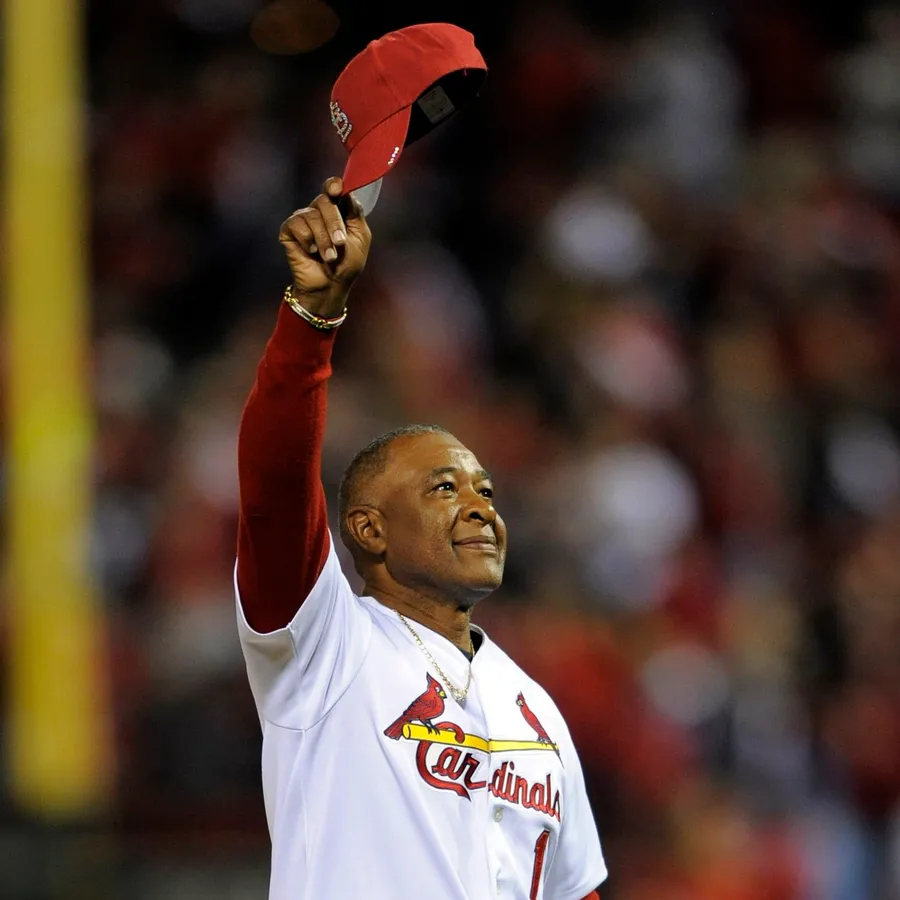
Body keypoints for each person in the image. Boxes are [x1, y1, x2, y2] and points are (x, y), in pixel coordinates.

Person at [235, 176, 607, 900]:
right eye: (444, 488)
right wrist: (312, 320)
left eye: (486, 492)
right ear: (368, 529)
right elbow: (275, 490)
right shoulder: (327, 650)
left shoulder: (535, 708)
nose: (479, 509)